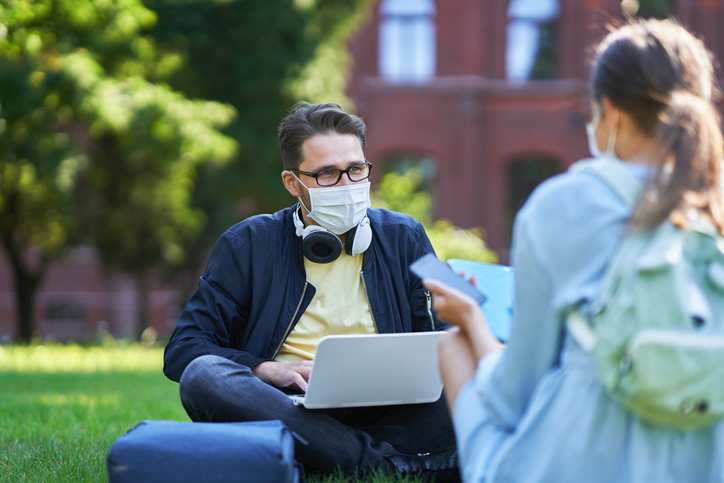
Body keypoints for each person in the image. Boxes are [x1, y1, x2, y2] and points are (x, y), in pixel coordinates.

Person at [426, 19, 724, 483]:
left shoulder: (566, 204)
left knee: (452, 347)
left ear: (612, 113)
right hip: (706, 456)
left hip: (582, 459)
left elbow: (514, 396)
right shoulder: (714, 205)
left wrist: (471, 326)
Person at [163, 102, 457, 477]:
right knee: (204, 377)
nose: (347, 185)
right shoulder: (247, 243)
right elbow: (184, 349)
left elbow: (458, 326)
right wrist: (264, 370)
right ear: (292, 183)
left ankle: (338, 457)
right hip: (288, 407)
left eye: (355, 170)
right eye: (328, 174)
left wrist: (466, 321)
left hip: (393, 408)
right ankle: (390, 465)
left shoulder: (407, 234)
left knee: (481, 378)